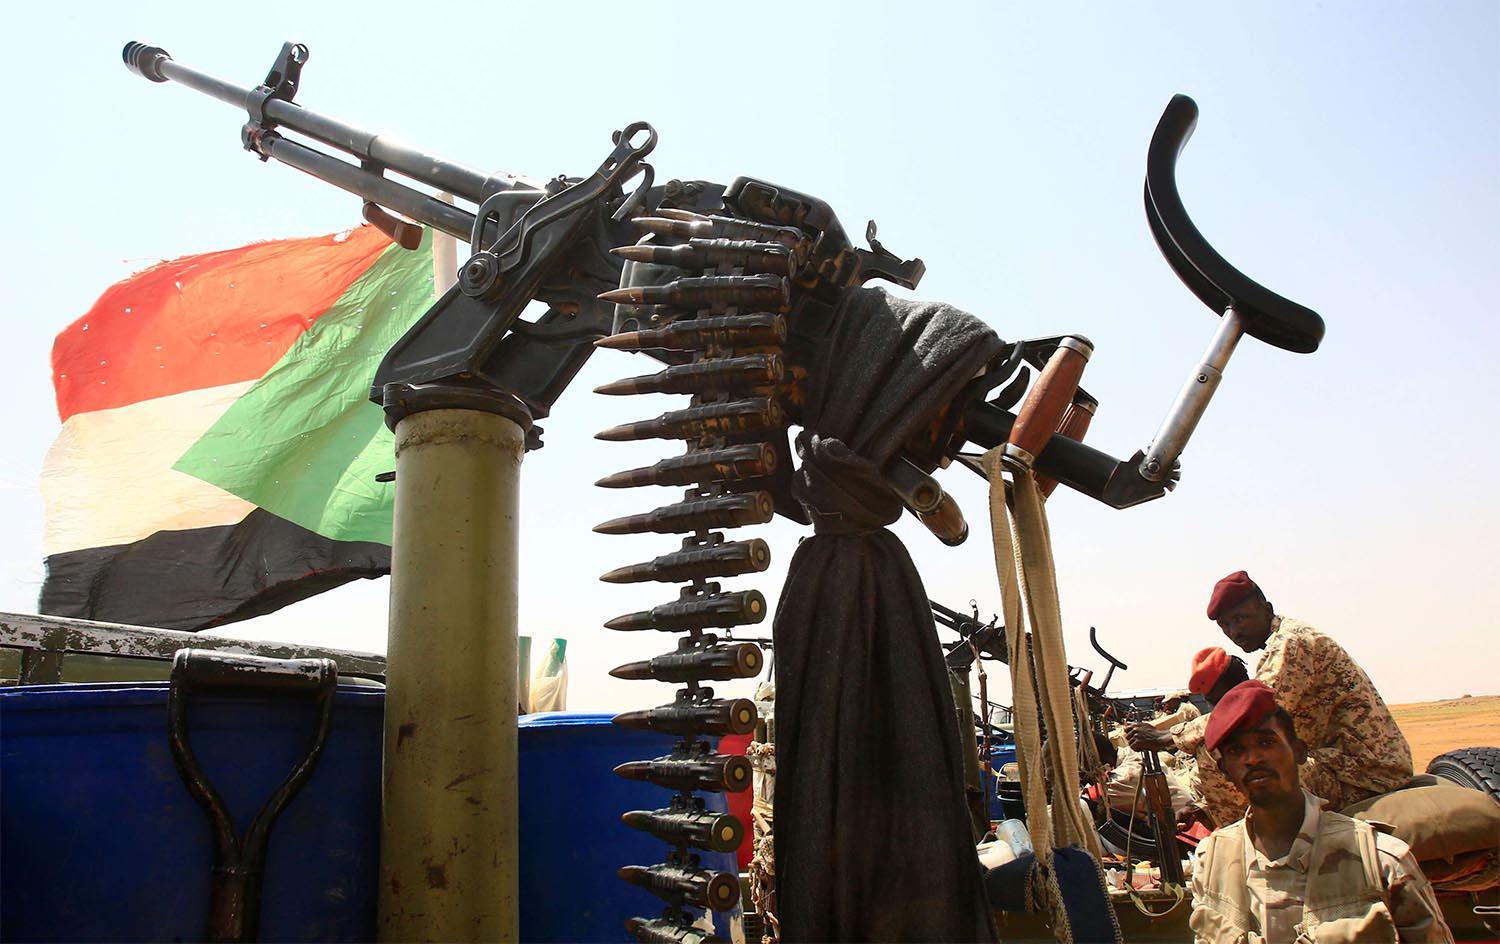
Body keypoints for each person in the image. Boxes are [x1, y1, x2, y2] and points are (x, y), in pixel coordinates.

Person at [1189, 680, 1452, 943]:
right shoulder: (1210, 862)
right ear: (1224, 770)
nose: (1253, 758)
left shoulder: (1380, 861)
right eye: (1237, 750)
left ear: (1299, 751)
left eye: (1266, 742)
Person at [1206, 570, 1413, 809]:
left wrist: (1175, 735)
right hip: (1344, 763)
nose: (1234, 632)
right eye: (1225, 625)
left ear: (1266, 609)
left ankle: (1251, 843)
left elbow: (1250, 711)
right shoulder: (1284, 638)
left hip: (1366, 774)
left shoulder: (1291, 642)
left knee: (1224, 758)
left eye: (1240, 618)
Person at [1126, 646, 1249, 828]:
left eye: (1220, 702)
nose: (1218, 711)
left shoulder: (1257, 728)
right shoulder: (1210, 740)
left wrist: (1162, 737)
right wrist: (1200, 810)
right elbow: (1230, 792)